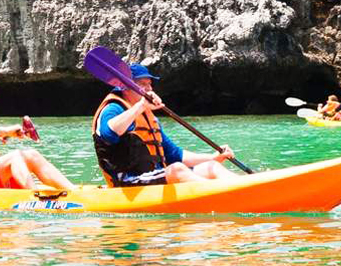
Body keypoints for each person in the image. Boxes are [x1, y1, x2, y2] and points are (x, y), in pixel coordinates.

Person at [91, 63, 237, 187]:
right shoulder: (113, 108)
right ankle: (220, 195)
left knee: (212, 167)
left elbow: (175, 154)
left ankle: (243, 187)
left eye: (149, 84)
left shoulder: (147, 115)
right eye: (142, 84)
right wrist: (141, 106)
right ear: (125, 87)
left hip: (154, 177)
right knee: (177, 170)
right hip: (127, 181)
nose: (149, 89)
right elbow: (108, 133)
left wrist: (212, 157)